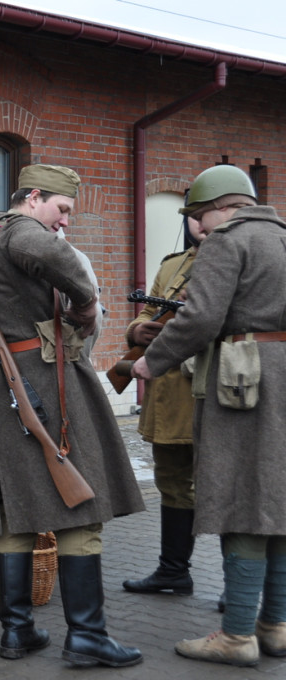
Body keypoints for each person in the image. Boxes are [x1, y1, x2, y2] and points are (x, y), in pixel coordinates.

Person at [0, 164, 145, 668]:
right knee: (81, 512)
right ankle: (86, 636)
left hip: (0, 383)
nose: (63, 221)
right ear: (34, 196)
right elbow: (60, 260)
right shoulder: (22, 232)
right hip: (43, 382)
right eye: (61, 209)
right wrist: (85, 302)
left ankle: (16, 632)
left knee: (13, 513)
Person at [131, 164, 286, 667]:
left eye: (200, 215)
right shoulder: (283, 238)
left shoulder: (228, 241)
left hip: (242, 384)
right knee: (278, 503)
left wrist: (150, 361)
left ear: (223, 208)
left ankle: (238, 634)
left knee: (242, 500)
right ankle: (276, 626)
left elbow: (199, 317)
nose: (200, 226)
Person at [121, 201, 205, 597]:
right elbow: (150, 311)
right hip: (172, 394)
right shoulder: (172, 267)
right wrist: (137, 332)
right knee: (171, 481)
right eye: (193, 215)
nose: (199, 222)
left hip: (218, 394)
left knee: (224, 486)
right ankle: (173, 570)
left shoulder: (241, 260)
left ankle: (238, 583)